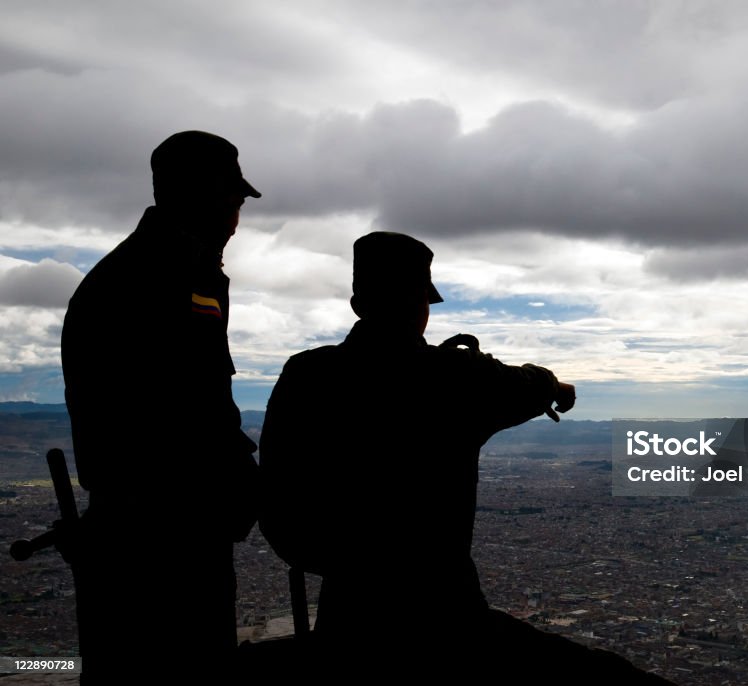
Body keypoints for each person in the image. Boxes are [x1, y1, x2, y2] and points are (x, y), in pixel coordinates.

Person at [259, 232, 673, 683]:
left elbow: (279, 507)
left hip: (347, 618)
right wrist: (556, 386)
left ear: (359, 304)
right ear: (422, 307)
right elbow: (528, 385)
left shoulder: (306, 375)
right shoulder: (453, 377)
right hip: (444, 614)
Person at [61, 131, 261, 683]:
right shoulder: (154, 278)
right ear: (200, 194)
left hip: (168, 525)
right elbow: (182, 410)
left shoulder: (178, 272)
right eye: (232, 199)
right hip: (161, 536)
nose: (236, 216)